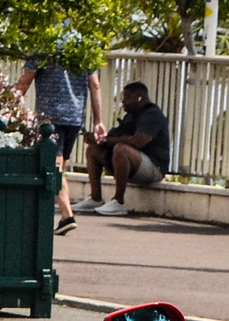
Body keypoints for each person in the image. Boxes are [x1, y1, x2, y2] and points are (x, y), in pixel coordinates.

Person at [15, 54, 103, 236]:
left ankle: (67, 215)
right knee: (60, 165)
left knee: (53, 166)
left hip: (50, 116)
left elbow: (26, 79)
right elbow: (95, 85)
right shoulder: (84, 46)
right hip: (75, 116)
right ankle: (63, 218)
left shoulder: (43, 46)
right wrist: (98, 121)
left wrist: (8, 106)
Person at [74, 81, 170, 216]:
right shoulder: (131, 115)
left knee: (121, 149)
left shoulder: (152, 114)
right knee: (93, 149)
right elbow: (115, 136)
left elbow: (139, 141)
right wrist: (99, 139)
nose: (123, 102)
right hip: (134, 165)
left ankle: (119, 202)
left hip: (154, 168)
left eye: (127, 97)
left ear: (139, 97)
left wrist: (107, 140)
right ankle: (95, 198)